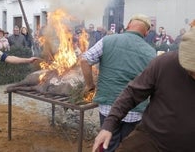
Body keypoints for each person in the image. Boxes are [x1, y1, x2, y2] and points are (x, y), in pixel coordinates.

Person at [92, 27, 195, 152]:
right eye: (189, 68)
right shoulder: (165, 63)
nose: (192, 73)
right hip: (150, 140)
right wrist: (108, 125)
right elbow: (132, 93)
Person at [80, 14, 156, 152]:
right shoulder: (151, 52)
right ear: (146, 32)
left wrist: (90, 86)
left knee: (108, 144)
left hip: (109, 107)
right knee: (126, 146)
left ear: (128, 26)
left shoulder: (108, 40)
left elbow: (85, 60)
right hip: (135, 109)